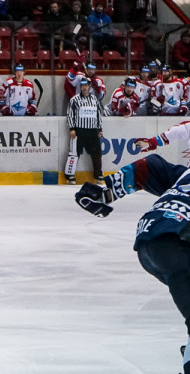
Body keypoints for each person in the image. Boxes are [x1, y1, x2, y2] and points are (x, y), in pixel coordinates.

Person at [73, 122, 190, 374]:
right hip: (177, 241)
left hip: (149, 239)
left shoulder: (184, 174)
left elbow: (149, 167)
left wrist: (105, 192)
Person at [65, 78, 104, 185]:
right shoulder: (74, 100)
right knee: (74, 153)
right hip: (79, 131)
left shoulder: (95, 99)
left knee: (96, 154)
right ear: (80, 87)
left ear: (89, 86)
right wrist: (72, 128)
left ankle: (98, 174)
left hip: (92, 131)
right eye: (82, 85)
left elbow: (98, 114)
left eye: (86, 85)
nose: (84, 87)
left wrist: (100, 129)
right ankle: (69, 174)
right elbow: (70, 114)